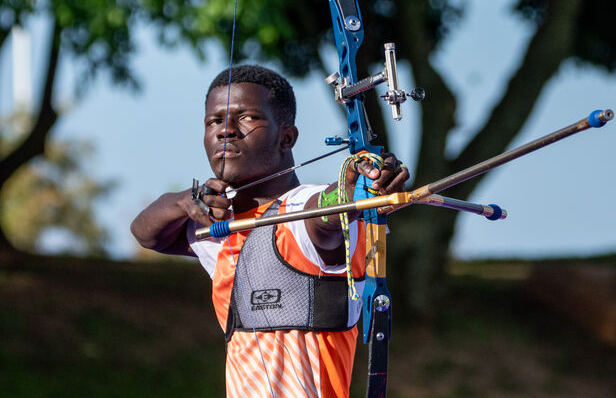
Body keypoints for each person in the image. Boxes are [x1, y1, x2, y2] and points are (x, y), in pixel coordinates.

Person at [131, 64, 409, 398]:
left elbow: (327, 213)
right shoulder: (218, 227)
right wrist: (185, 201)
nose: (226, 131)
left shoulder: (303, 210)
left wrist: (357, 184)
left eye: (246, 117)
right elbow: (147, 233)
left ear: (286, 137)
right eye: (214, 121)